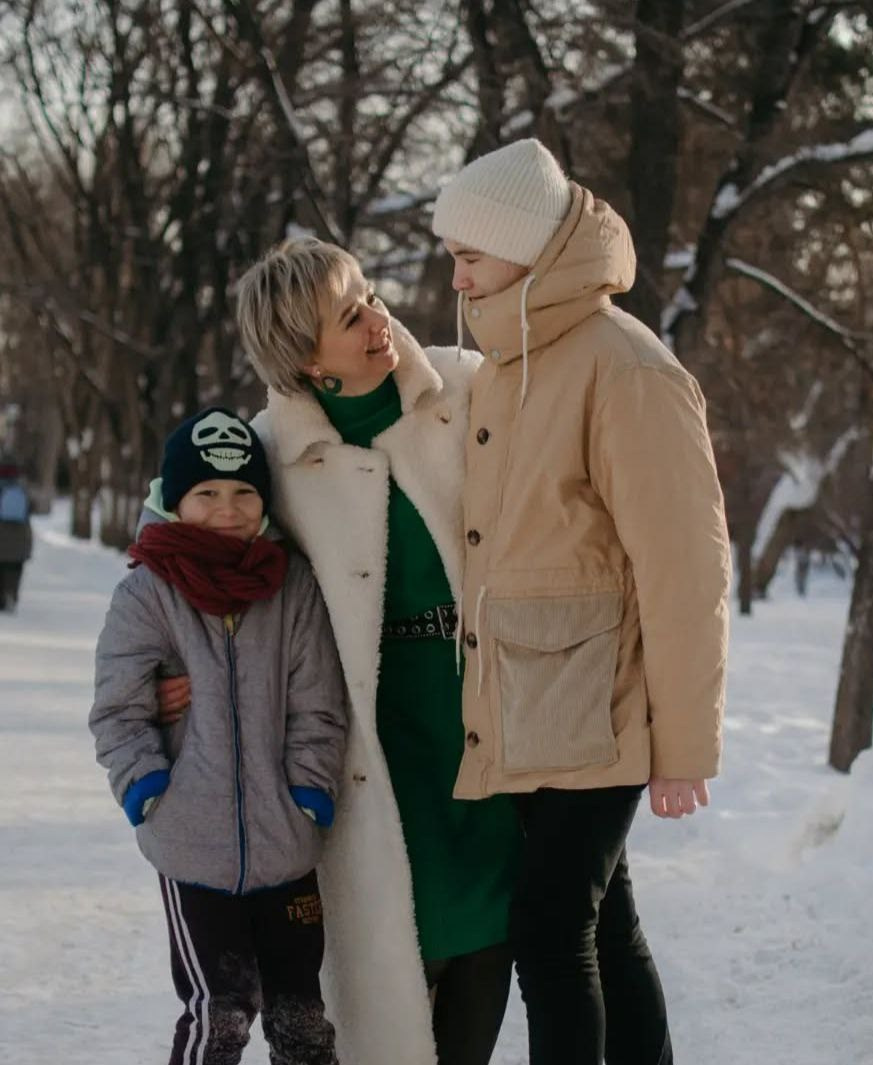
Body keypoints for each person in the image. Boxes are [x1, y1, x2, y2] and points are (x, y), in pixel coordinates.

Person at [155, 237, 519, 1065]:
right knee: (390, 965)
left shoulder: (465, 390)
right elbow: (171, 542)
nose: (377, 319)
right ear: (307, 363)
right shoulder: (266, 454)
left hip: (481, 724)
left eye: (370, 296)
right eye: (348, 316)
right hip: (368, 749)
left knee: (486, 940)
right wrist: (162, 674)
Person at [431, 137, 732, 1065]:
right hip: (536, 703)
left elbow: (687, 568)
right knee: (601, 926)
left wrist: (683, 744)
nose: (455, 274)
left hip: (598, 708)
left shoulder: (625, 366)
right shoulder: (514, 361)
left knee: (552, 929)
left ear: (525, 246)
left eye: (469, 253)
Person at [89, 407, 348, 1065]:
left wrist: (309, 792)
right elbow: (118, 709)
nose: (226, 509)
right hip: (192, 844)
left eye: (243, 492)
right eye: (206, 493)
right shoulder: (147, 592)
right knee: (220, 1014)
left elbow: (318, 703)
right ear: (175, 501)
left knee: (303, 1019)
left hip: (287, 845)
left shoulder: (291, 587)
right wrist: (147, 788)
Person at [0, 462, 32, 612]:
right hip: (20, 538)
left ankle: (1, 599)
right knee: (15, 569)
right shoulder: (22, 490)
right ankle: (12, 594)